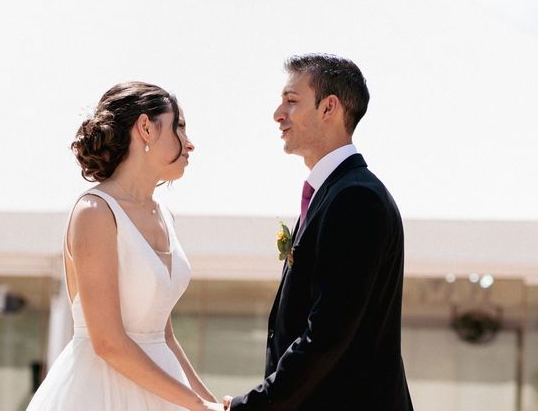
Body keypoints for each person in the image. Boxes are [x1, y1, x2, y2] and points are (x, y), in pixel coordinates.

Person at [224, 54, 414, 410]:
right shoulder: (335, 194)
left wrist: (250, 406)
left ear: (330, 108)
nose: (278, 114)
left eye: (291, 101)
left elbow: (326, 335)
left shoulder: (356, 198)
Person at [27, 82, 222, 411]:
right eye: (180, 127)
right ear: (146, 127)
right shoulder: (95, 212)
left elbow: (166, 337)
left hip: (166, 393)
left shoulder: (165, 216)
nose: (190, 144)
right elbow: (108, 343)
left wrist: (212, 402)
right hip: (99, 393)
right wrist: (198, 405)